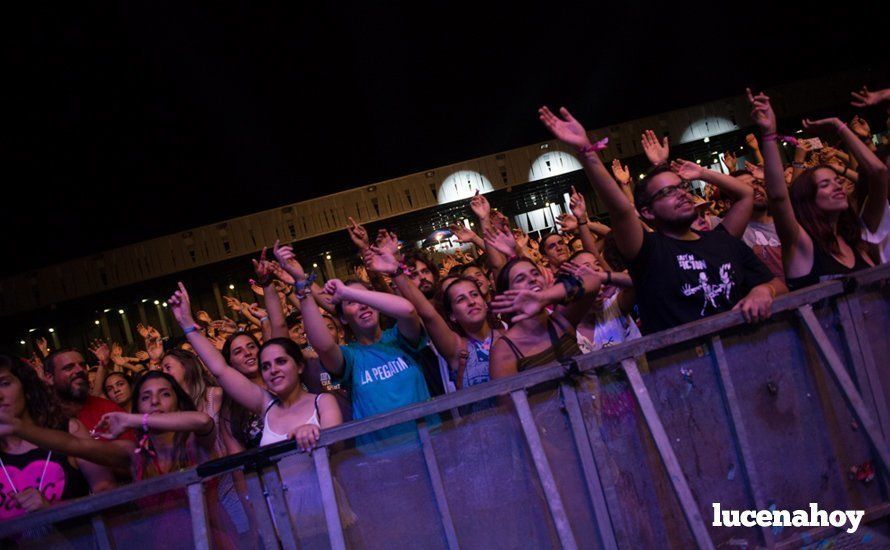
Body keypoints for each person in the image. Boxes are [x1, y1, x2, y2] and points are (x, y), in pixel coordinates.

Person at [539, 104, 787, 334]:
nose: (680, 193)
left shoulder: (724, 240)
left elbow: (745, 195)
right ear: (647, 212)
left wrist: (765, 290)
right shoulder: (649, 252)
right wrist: (586, 151)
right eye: (668, 192)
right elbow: (622, 210)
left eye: (682, 187)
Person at [274, 242, 437, 452]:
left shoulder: (399, 338)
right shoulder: (350, 356)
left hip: (430, 445)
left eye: (364, 298)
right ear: (342, 317)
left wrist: (350, 293)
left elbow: (407, 310)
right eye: (350, 302)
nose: (361, 305)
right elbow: (323, 346)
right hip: (383, 460)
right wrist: (302, 283)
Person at [166, 282, 343, 453]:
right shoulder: (266, 406)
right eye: (265, 366)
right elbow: (220, 370)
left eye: (281, 361)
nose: (273, 370)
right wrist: (187, 325)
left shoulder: (322, 402)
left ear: (299, 366)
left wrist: (316, 434)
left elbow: (339, 448)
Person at [748, 89, 887, 288]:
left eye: (837, 180)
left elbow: (879, 173)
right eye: (825, 184)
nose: (837, 185)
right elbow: (778, 196)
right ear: (808, 199)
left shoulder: (858, 236)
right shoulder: (801, 245)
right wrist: (769, 135)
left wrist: (839, 126)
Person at [363, 245, 501, 411]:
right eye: (460, 299)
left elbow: (501, 272)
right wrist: (396, 271)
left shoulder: (509, 336)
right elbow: (427, 314)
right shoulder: (456, 348)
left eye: (474, 295)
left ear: (486, 302)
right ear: (451, 315)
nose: (471, 302)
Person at [0, 355, 116, 521]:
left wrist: (54, 509)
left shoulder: (69, 430)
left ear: (26, 387)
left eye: (4, 384)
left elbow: (109, 495)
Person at [488, 257, 602, 377]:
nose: (533, 279)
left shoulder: (561, 320)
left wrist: (544, 297)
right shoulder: (504, 350)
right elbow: (509, 396)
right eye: (520, 279)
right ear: (507, 294)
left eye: (536, 273)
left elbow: (593, 280)